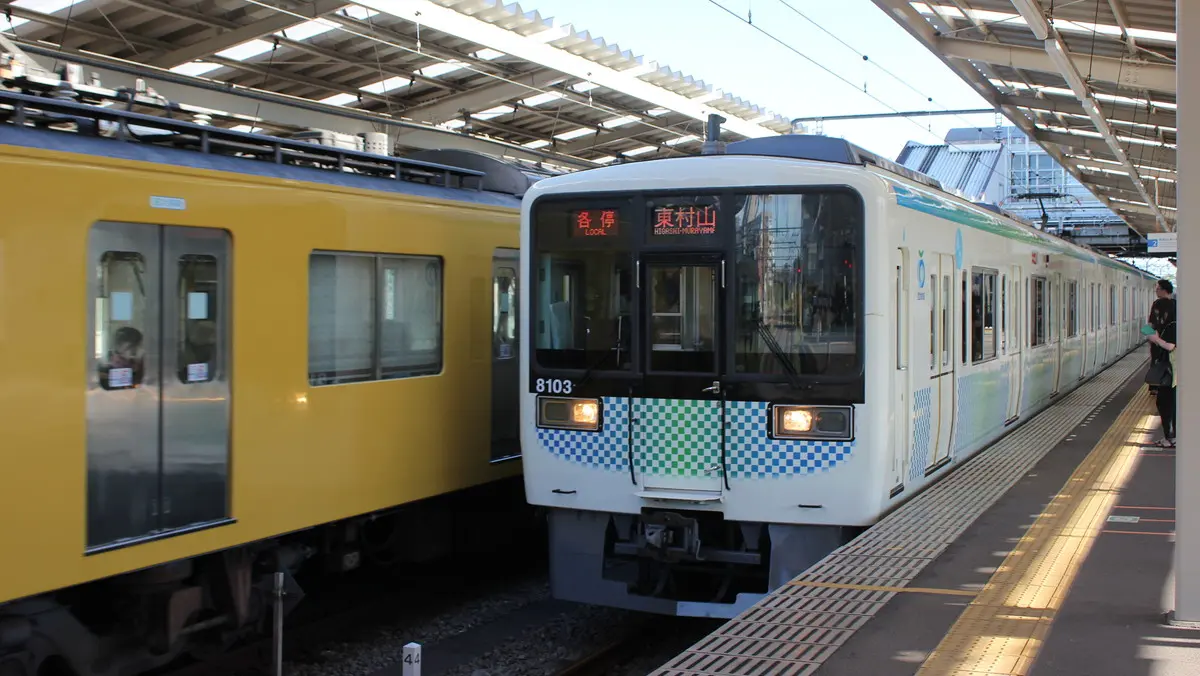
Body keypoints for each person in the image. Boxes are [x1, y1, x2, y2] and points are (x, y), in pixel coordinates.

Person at [1145, 300, 1177, 448]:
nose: (1156, 316)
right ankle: (1171, 437)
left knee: (1167, 403)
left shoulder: (1173, 326)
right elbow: (1147, 329)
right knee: (1167, 403)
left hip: (1173, 372)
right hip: (1171, 371)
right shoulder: (1169, 325)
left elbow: (1171, 346)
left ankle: (1171, 437)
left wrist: (1156, 339)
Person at [1147, 280, 1175, 395]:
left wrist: (1149, 336)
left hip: (1158, 340)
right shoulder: (1176, 304)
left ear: (1164, 290)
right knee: (1171, 362)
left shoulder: (1157, 304)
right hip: (1172, 340)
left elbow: (1151, 324)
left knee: (1157, 361)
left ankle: (1155, 386)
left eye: (1157, 289)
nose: (1156, 291)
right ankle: (1169, 383)